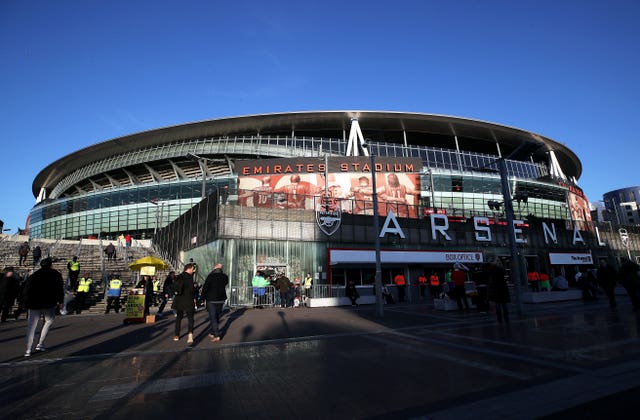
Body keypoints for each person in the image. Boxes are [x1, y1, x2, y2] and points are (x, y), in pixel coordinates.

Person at [23, 258, 64, 357]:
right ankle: (40, 343)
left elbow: (26, 289)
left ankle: (28, 349)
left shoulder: (34, 275)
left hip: (34, 303)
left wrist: (25, 302)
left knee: (31, 326)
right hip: (48, 303)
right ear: (50, 265)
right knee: (49, 321)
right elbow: (59, 289)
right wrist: (60, 301)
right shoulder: (56, 274)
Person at [201, 263, 228, 342]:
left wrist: (202, 298)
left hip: (211, 299)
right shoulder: (225, 276)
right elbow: (225, 283)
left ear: (214, 268)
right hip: (221, 299)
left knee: (213, 317)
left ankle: (217, 335)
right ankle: (213, 332)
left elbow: (205, 287)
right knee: (217, 316)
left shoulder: (211, 276)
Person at [172, 263, 197, 343]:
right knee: (190, 318)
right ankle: (190, 335)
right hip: (188, 300)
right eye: (193, 269)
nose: (193, 271)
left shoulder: (179, 276)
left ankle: (176, 335)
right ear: (189, 269)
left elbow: (174, 287)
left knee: (179, 318)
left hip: (179, 300)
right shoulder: (189, 277)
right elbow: (192, 290)